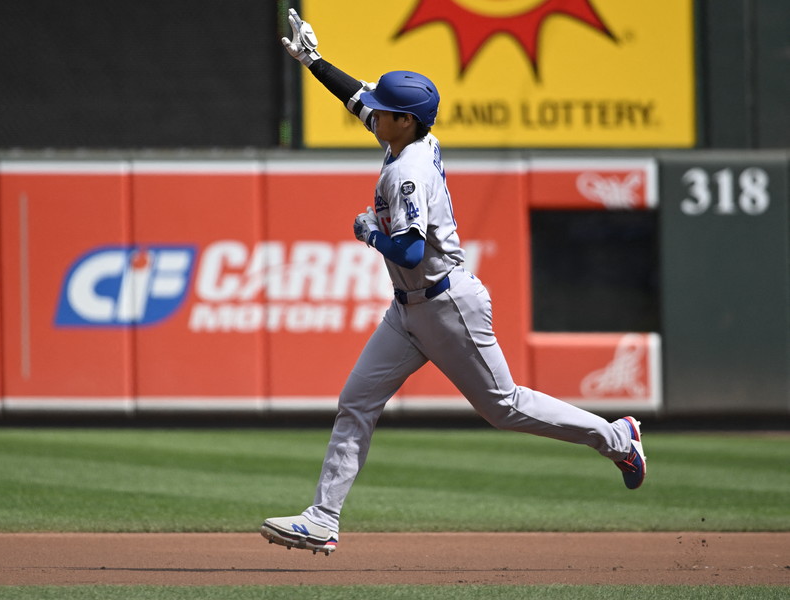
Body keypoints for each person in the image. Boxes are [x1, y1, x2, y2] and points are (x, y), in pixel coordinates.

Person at [260, 8, 646, 556]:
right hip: (406, 311)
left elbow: (412, 249)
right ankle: (323, 518)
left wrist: (370, 235)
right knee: (356, 402)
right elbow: (357, 98)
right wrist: (314, 61)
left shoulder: (407, 172)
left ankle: (618, 439)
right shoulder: (407, 137)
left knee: (503, 407)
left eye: (386, 111)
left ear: (407, 122)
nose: (374, 113)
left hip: (447, 305)